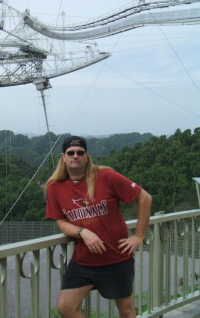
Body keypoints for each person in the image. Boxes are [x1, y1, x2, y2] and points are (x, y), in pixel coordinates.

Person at [45, 136, 152, 318]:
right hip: (84, 261)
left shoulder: (106, 177)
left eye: (80, 152)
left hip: (116, 257)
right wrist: (82, 232)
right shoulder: (54, 187)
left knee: (126, 310)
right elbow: (61, 222)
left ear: (87, 156)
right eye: (71, 153)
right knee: (66, 307)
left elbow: (145, 197)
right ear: (63, 157)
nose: (76, 156)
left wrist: (139, 236)